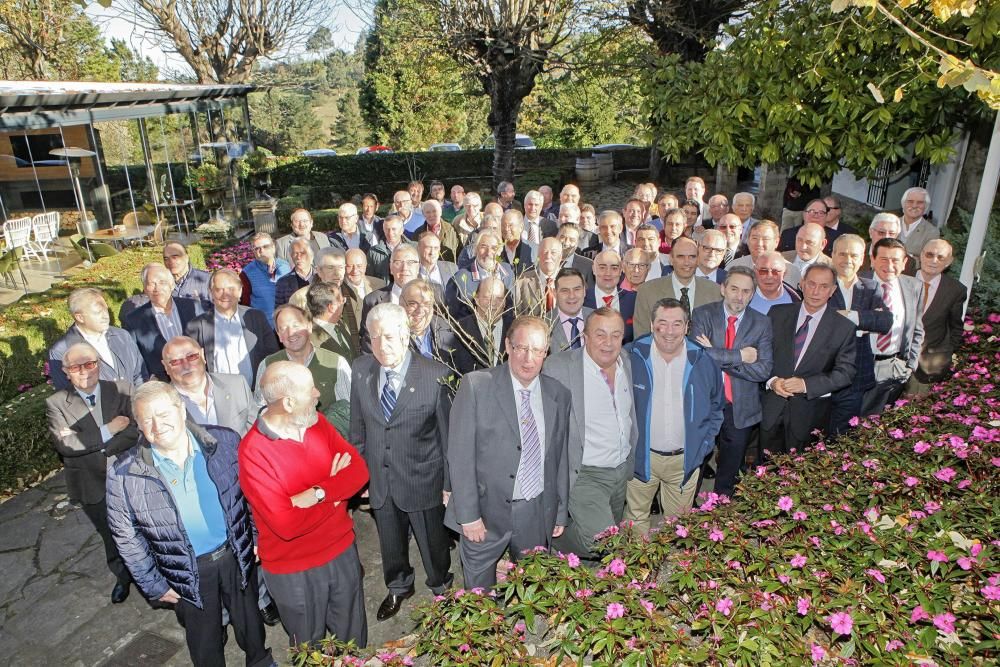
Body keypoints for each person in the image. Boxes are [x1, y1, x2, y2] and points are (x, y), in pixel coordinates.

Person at [106, 382, 274, 667]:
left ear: (181, 410)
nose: (158, 425)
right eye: (147, 419)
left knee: (250, 620)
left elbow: (249, 493)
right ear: (139, 425)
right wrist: (153, 584)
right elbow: (126, 538)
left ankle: (259, 661)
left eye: (164, 413)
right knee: (204, 639)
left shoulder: (224, 442)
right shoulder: (124, 474)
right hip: (186, 569)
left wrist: (256, 536)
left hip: (235, 553)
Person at [239, 362, 369, 648]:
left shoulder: (317, 423)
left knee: (353, 639)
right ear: (287, 402)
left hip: (341, 552)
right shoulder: (253, 453)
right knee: (310, 648)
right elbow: (287, 525)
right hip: (295, 572)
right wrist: (337, 494)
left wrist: (319, 494)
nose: (317, 393)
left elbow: (359, 472)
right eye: (309, 389)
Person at [444, 316, 572, 590]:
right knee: (479, 594)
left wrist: (559, 511)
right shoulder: (477, 386)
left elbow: (559, 458)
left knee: (532, 586)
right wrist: (468, 516)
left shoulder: (558, 394)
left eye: (537, 351)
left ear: (546, 352)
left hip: (534, 511)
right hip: (485, 513)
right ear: (507, 346)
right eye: (521, 348)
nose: (529, 359)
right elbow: (460, 455)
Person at [349, 304, 454, 620]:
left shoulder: (436, 376)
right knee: (391, 544)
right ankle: (398, 587)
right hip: (381, 480)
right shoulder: (361, 370)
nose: (383, 345)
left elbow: (449, 438)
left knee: (434, 545)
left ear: (406, 335)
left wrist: (450, 485)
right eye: (376, 337)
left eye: (391, 337)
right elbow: (358, 428)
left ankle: (441, 589)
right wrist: (360, 477)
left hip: (423, 479)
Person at [46, 342, 137, 604]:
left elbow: (135, 429)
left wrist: (95, 445)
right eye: (77, 367)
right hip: (90, 483)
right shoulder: (56, 404)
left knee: (144, 526)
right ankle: (123, 577)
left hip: (128, 474)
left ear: (98, 364)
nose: (85, 371)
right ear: (65, 371)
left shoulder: (121, 389)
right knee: (110, 534)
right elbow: (67, 445)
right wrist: (111, 428)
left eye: (90, 363)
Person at [543, 308, 637, 558]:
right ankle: (552, 540)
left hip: (619, 469)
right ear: (585, 336)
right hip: (585, 473)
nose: (609, 343)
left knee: (610, 533)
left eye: (616, 335)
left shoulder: (625, 360)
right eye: (600, 334)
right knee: (603, 542)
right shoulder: (559, 367)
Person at [626, 298, 724, 531]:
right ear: (651, 325)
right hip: (642, 458)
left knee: (677, 527)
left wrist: (703, 447)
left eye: (677, 324)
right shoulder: (631, 357)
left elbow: (717, 406)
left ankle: (670, 568)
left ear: (687, 326)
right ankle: (640, 567)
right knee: (636, 519)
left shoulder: (703, 360)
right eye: (662, 323)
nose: (669, 331)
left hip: (684, 461)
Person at [690, 267, 774, 498]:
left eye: (746, 291)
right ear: (723, 289)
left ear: (752, 294)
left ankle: (721, 509)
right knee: (695, 462)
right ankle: (685, 512)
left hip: (740, 406)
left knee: (730, 467)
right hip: (704, 404)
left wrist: (715, 354)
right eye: (734, 289)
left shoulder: (762, 323)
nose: (739, 296)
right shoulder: (701, 315)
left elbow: (763, 370)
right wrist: (741, 356)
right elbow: (696, 356)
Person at [760, 265, 856, 456]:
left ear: (832, 291)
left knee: (800, 477)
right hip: (771, 410)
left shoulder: (843, 327)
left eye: (823, 286)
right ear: (802, 284)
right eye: (811, 284)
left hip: (809, 416)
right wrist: (772, 381)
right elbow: (762, 355)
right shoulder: (777, 313)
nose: (816, 291)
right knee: (762, 473)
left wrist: (806, 384)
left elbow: (845, 373)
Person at [825, 234, 891, 435]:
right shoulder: (821, 284)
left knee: (842, 436)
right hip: (822, 373)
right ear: (833, 255)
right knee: (812, 433)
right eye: (843, 254)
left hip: (856, 377)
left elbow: (885, 322)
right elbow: (823, 322)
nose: (848, 260)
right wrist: (864, 322)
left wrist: (850, 316)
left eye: (854, 255)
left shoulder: (871, 287)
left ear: (862, 258)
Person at [259, 304, 353, 435]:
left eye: (296, 326)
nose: (291, 333)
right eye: (283, 329)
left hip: (327, 441)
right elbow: (261, 410)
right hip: (285, 443)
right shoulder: (268, 366)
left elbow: (350, 410)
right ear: (279, 336)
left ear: (309, 327)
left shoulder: (336, 363)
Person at [860, 238, 925, 415]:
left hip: (894, 367)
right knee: (851, 419)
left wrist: (910, 364)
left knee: (877, 422)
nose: (889, 265)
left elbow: (916, 328)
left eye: (895, 260)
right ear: (872, 260)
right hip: (860, 364)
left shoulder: (914, 286)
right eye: (883, 259)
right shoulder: (857, 283)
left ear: (904, 263)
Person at [184, 268, 279, 388]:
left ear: (240, 291)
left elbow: (272, 355)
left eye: (231, 289)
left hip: (255, 392)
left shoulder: (256, 318)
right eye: (219, 289)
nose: (225, 294)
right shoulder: (196, 326)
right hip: (218, 397)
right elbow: (192, 365)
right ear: (211, 292)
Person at [49, 288, 146, 390]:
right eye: (98, 312)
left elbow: (140, 375)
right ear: (80, 317)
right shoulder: (62, 351)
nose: (105, 316)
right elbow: (69, 397)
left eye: (106, 310)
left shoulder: (122, 336)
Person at [162, 336, 256, 437]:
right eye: (176, 361)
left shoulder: (237, 385)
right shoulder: (161, 404)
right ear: (166, 367)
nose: (186, 365)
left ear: (202, 355)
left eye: (191, 356)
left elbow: (255, 430)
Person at [123, 263, 204, 380]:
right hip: (163, 386)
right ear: (145, 288)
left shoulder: (193, 306)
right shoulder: (134, 320)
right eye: (151, 284)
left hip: (197, 378)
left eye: (162, 282)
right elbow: (134, 359)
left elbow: (206, 341)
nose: (157, 288)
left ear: (172, 285)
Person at [908, 239, 967, 393]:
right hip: (892, 362)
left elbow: (955, 326)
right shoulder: (902, 278)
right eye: (929, 254)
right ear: (921, 255)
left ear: (949, 262)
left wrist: (946, 353)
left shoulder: (955, 290)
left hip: (927, 366)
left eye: (941, 257)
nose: (934, 260)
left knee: (913, 413)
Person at [633, 238, 722, 338]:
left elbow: (718, 337)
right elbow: (641, 338)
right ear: (671, 259)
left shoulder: (715, 292)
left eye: (692, 257)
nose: (687, 262)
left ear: (698, 260)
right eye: (681, 257)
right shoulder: (647, 291)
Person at [120, 242, 213, 320]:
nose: (171, 262)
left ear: (186, 257)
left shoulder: (206, 280)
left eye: (175, 257)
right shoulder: (158, 283)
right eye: (166, 258)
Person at [445, 229, 514, 319]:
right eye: (483, 247)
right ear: (476, 249)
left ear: (500, 251)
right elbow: (455, 318)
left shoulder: (508, 272)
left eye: (494, 248)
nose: (489, 253)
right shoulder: (459, 280)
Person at [453, 276, 511, 374]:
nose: (493, 303)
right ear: (476, 299)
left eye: (499, 298)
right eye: (487, 297)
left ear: (505, 302)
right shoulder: (459, 330)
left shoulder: (514, 329)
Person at [397, 279, 458, 365]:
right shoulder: (390, 333)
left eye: (426, 304)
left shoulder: (450, 329)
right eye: (413, 304)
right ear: (401, 303)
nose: (420, 310)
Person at [729, 220, 803, 287]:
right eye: (755, 238)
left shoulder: (792, 271)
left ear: (776, 242)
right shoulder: (734, 266)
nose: (759, 244)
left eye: (765, 239)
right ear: (748, 240)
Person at [240, 232, 291, 327]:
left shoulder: (286, 267)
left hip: (287, 324)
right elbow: (245, 304)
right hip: (263, 327)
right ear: (253, 252)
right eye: (257, 248)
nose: (261, 250)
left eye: (265, 246)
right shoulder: (247, 273)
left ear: (273, 248)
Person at [584, 250, 636, 342]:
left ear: (621, 271)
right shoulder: (582, 300)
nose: (608, 273)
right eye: (602, 268)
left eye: (614, 268)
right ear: (593, 269)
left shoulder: (634, 300)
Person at [513, 236, 562, 317]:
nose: (548, 256)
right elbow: (516, 315)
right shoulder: (521, 281)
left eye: (553, 252)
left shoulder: (570, 280)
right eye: (544, 252)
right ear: (538, 256)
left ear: (560, 257)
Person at [306, 282, 355, 362]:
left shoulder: (341, 324)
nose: (343, 303)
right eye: (342, 300)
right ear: (332, 307)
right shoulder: (312, 341)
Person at [549, 268, 593, 354]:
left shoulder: (598, 319)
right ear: (555, 293)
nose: (571, 296)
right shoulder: (545, 323)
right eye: (565, 290)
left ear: (584, 291)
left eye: (577, 289)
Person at [898, 187, 940, 266]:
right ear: (903, 204)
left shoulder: (932, 232)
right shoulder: (891, 223)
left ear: (926, 206)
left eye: (920, 202)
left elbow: (926, 260)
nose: (914, 205)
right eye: (910, 201)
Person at [780, 222, 830, 287]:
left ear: (823, 244)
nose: (803, 247)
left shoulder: (831, 268)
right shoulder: (782, 258)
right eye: (799, 240)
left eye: (809, 242)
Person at [367, 214, 411, 282]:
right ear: (383, 230)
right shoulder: (373, 252)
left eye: (394, 229)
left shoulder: (413, 249)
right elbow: (370, 280)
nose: (390, 233)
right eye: (387, 229)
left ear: (401, 230)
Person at [275, 238, 315, 307]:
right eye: (295, 253)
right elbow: (279, 310)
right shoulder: (283, 282)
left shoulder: (322, 277)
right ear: (291, 256)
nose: (299, 257)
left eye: (302, 253)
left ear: (311, 255)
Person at [499, 208, 536, 276]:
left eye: (510, 225)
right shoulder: (495, 249)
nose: (506, 229)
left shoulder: (534, 249)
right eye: (503, 225)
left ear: (521, 227)